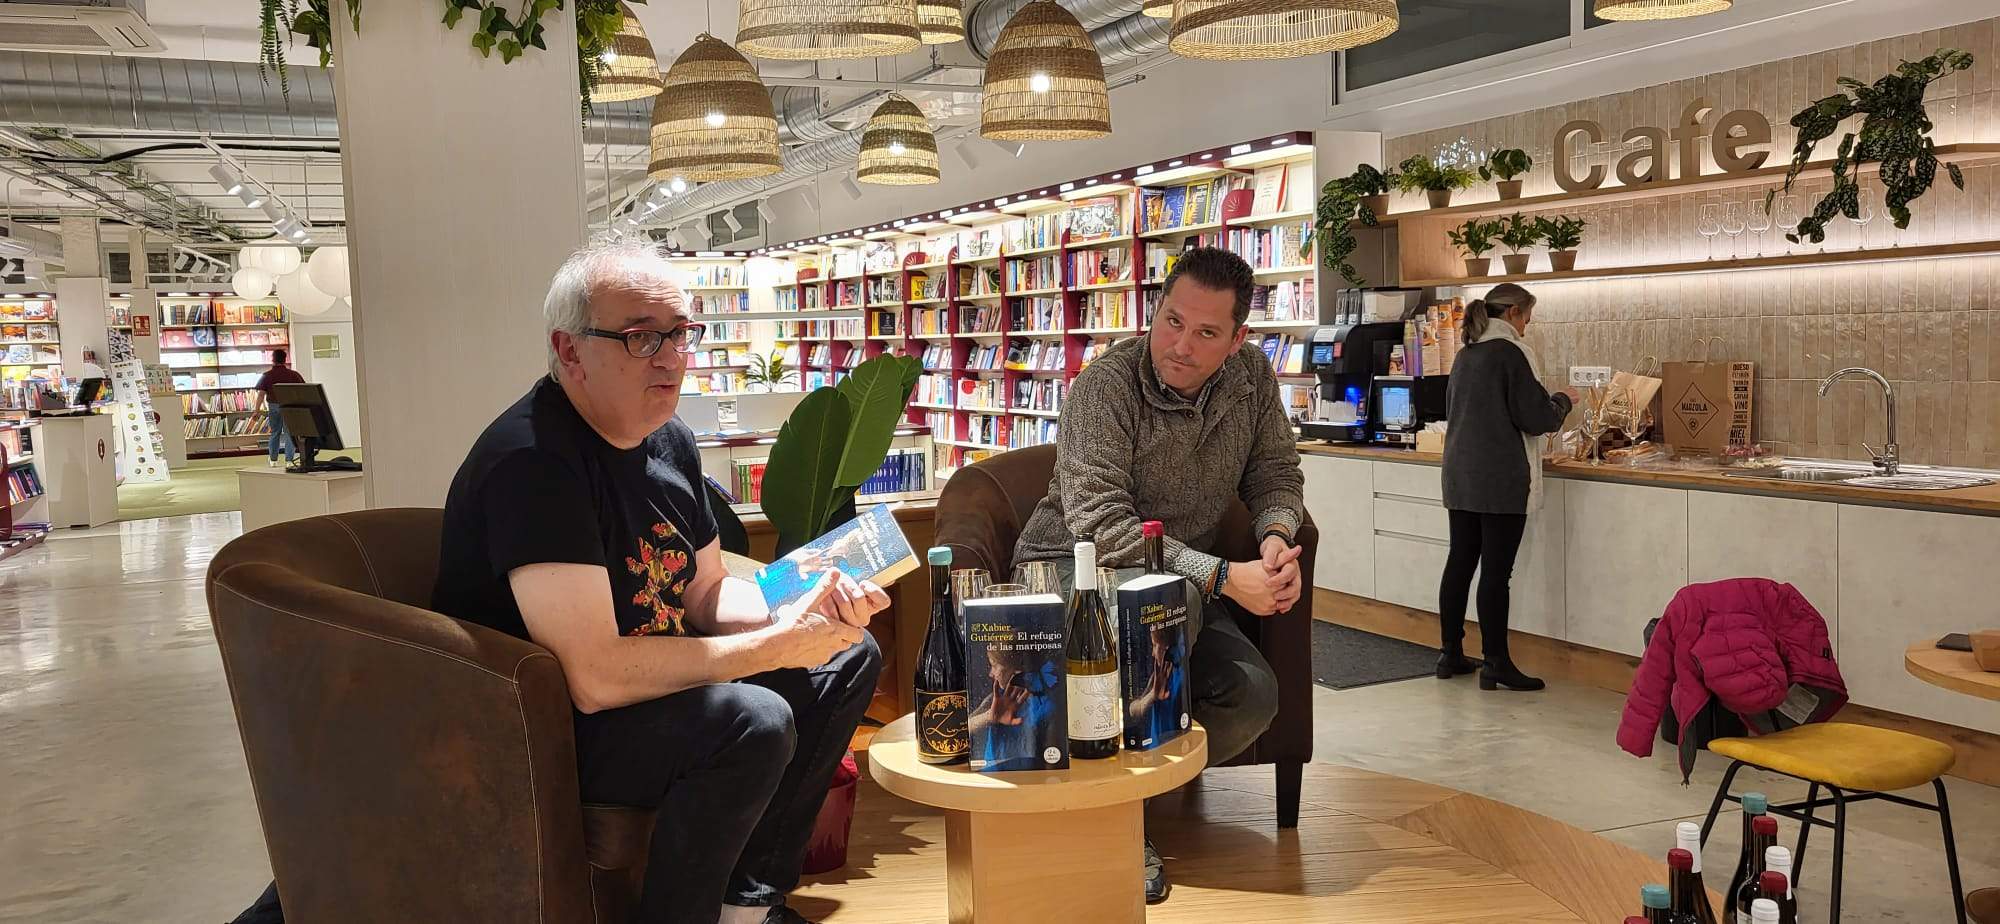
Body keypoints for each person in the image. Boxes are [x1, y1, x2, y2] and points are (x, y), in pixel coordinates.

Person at [227, 238, 889, 924]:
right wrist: (775, 649)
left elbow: (707, 592)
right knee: (750, 720)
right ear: (569, 350)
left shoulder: (670, 440)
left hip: (646, 692)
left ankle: (743, 908)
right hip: (534, 724)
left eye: (681, 333)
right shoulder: (535, 462)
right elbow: (595, 677)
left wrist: (806, 602)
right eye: (640, 337)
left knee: (847, 658)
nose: (670, 356)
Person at [1011, 246, 1304, 903]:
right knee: (1166, 610)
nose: (1181, 345)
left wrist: (1277, 540)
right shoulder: (1104, 386)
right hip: (1069, 569)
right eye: (1172, 321)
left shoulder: (1252, 380)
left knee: (1252, 696)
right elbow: (1101, 526)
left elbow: (1278, 475)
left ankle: (1109, 789)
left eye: (1205, 333)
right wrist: (1226, 578)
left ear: (1237, 340)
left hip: (1182, 586)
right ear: (1155, 309)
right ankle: (1117, 824)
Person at [1435, 284, 1573, 693]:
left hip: (1460, 473)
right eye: (1527, 319)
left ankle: (1450, 653)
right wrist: (1564, 401)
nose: (1528, 328)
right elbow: (1536, 418)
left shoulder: (1466, 354)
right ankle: (1496, 662)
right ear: (1513, 313)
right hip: (1499, 477)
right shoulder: (1511, 354)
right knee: (1496, 573)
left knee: (1460, 563)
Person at [254, 349, 304, 466]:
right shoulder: (294, 375)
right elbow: (302, 390)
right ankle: (289, 460)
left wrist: (256, 410)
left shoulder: (266, 375)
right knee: (289, 433)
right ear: (285, 359)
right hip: (289, 406)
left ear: (273, 359)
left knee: (275, 432)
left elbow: (261, 394)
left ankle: (273, 460)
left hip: (273, 406)